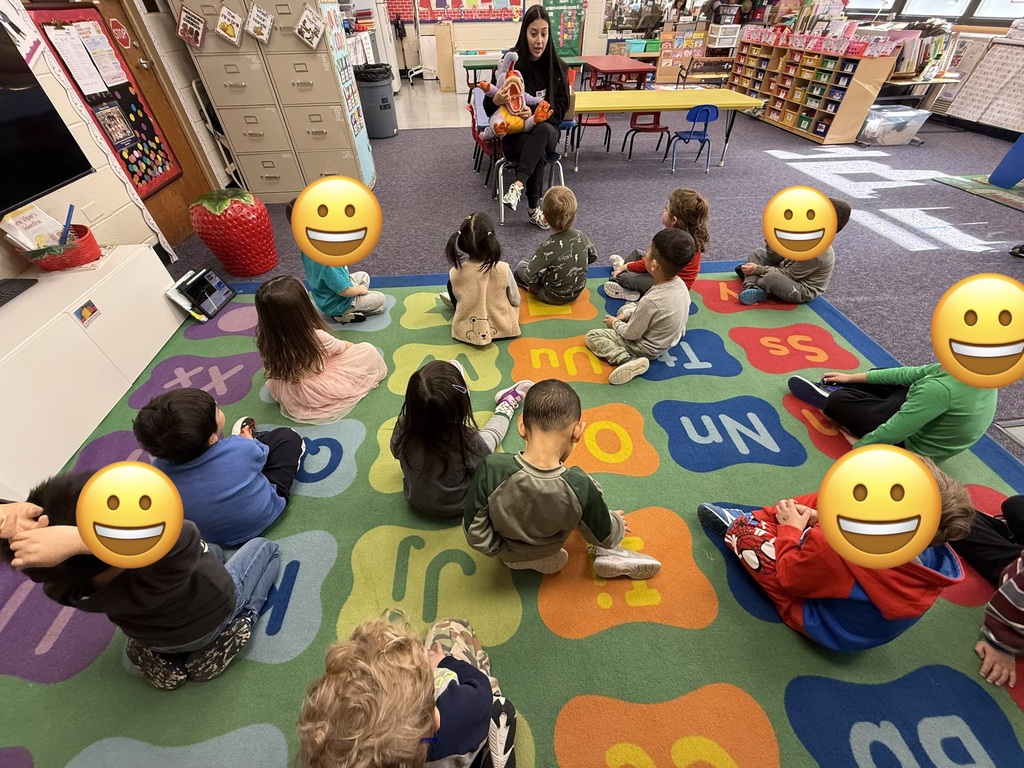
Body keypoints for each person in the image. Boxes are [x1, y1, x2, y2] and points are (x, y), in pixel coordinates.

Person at [1, 473, 279, 690]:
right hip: (212, 614)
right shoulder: (170, 554)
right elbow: (181, 530)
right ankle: (243, 620)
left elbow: (42, 567)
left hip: (153, 637)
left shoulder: (63, 589)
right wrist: (84, 537)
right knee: (265, 548)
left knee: (214, 552)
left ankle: (160, 659)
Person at [696, 455, 974, 652]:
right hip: (857, 619)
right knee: (824, 503)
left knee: (747, 533)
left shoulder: (834, 546)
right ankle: (772, 522)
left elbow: (790, 577)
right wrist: (817, 518)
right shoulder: (929, 544)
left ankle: (743, 522)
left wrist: (792, 530)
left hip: (822, 623)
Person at [464, 379, 662, 577]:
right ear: (578, 431)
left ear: (522, 426)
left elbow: (473, 530)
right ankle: (610, 553)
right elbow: (606, 536)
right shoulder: (581, 485)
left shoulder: (491, 469)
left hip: (509, 551)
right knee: (591, 495)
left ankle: (522, 560)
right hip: (550, 546)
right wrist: (615, 522)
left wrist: (501, 550)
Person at [297, 613, 516, 768]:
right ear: (433, 718)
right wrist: (443, 663)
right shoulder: (457, 711)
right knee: (447, 628)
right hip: (466, 740)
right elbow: (480, 686)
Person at [133, 388, 304, 548]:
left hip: (215, 538)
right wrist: (248, 443)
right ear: (213, 437)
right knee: (287, 437)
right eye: (217, 409)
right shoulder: (240, 449)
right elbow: (260, 455)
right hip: (265, 512)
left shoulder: (158, 473)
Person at [392, 360, 533, 519]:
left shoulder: (403, 427)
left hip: (415, 500)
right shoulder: (467, 440)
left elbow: (396, 452)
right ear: (463, 408)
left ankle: (451, 396)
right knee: (491, 435)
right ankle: (507, 403)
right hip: (460, 505)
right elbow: (484, 469)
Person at [787, 363, 998, 463]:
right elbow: (911, 374)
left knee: (838, 402)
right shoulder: (976, 370)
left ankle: (838, 397)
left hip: (909, 449)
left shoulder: (940, 389)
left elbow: (896, 430)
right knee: (879, 374)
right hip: (926, 413)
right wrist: (851, 377)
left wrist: (861, 446)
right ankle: (851, 390)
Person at [255, 276, 387, 424]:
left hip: (290, 382)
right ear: (302, 309)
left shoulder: (267, 338)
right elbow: (342, 347)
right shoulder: (315, 337)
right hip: (316, 387)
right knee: (367, 350)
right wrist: (352, 347)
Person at [488, 5, 571, 228]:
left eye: (544, 33)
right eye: (533, 33)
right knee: (535, 147)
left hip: (548, 130)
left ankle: (517, 184)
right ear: (525, 33)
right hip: (517, 136)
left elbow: (562, 109)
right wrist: (496, 100)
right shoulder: (511, 64)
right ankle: (534, 208)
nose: (539, 40)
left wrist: (536, 114)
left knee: (542, 131)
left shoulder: (557, 67)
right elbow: (489, 108)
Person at [585, 229, 694, 385]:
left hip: (645, 348)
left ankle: (625, 359)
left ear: (654, 265)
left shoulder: (651, 300)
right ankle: (674, 331)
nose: (646, 253)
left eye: (649, 250)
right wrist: (627, 315)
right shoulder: (681, 285)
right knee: (627, 309)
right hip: (669, 336)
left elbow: (631, 334)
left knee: (593, 336)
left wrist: (615, 323)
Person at [735, 197, 851, 305]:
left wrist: (758, 269)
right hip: (786, 269)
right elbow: (779, 258)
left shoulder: (818, 253)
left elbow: (789, 274)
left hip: (800, 288)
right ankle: (751, 285)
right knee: (758, 253)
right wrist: (773, 245)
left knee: (772, 279)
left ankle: (752, 279)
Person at [287, 198, 386, 323]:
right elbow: (344, 291)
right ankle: (345, 312)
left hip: (324, 296)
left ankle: (355, 303)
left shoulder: (307, 247)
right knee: (380, 300)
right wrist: (360, 290)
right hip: (338, 302)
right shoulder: (327, 261)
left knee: (363, 276)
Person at [606, 187, 710, 300]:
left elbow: (652, 263)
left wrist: (625, 267)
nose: (663, 211)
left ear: (674, 220)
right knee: (636, 253)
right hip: (664, 269)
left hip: (669, 283)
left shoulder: (677, 243)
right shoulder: (684, 235)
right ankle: (624, 274)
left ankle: (629, 290)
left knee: (623, 277)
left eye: (666, 209)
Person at [439, 212, 521, 345]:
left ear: (462, 243)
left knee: (453, 287)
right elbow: (515, 300)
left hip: (469, 328)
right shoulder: (503, 269)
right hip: (502, 325)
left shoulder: (455, 272)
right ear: (491, 238)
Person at [514, 186, 596, 305]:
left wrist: (543, 274)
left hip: (551, 295)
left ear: (545, 219)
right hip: (577, 292)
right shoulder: (580, 235)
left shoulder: (547, 246)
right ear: (573, 216)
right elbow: (593, 256)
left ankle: (532, 290)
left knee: (521, 266)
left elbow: (529, 275)